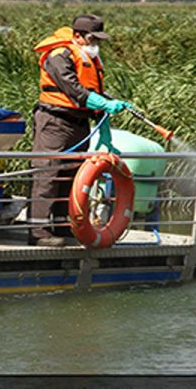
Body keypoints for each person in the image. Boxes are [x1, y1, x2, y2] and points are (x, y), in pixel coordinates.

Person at [29, 14, 133, 247]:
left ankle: (63, 227)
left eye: (99, 40)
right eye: (92, 39)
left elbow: (91, 92)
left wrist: (110, 105)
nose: (97, 44)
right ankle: (38, 232)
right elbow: (72, 88)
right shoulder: (59, 55)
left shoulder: (89, 58)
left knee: (71, 176)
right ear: (77, 36)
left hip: (78, 124)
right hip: (55, 123)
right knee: (48, 174)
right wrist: (102, 103)